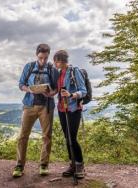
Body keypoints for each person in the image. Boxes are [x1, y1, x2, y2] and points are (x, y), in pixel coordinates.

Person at [13, 44, 59, 177]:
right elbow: (21, 84)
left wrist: (51, 93)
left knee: (47, 136)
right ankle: (19, 166)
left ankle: (44, 165)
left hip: (46, 106)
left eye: (45, 58)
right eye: (41, 57)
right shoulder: (28, 67)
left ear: (48, 55)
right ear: (36, 55)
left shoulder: (52, 69)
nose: (43, 60)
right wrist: (30, 89)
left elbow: (56, 88)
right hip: (29, 105)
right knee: (23, 135)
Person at [54, 50, 86, 179]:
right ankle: (72, 164)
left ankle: (79, 165)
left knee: (72, 138)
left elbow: (83, 91)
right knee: (68, 138)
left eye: (55, 61)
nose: (54, 63)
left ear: (60, 60)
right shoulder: (59, 73)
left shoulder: (74, 71)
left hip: (73, 109)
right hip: (62, 109)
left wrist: (71, 95)